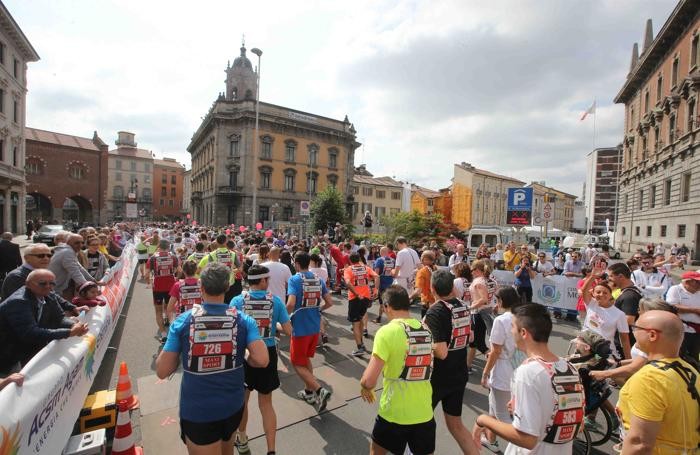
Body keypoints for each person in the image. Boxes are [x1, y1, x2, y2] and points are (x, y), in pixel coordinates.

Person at [156, 263, 269, 455]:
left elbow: (162, 370)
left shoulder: (183, 322)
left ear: (201, 288)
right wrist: (242, 355)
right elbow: (262, 360)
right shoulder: (243, 320)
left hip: (198, 412)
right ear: (227, 287)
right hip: (233, 407)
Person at [472, 304, 585, 454]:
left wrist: (483, 420)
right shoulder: (569, 368)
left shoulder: (527, 373)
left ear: (523, 332)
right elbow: (578, 424)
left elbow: (527, 439)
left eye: (512, 327)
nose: (511, 331)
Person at [360, 285, 436, 455]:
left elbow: (369, 380)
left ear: (386, 306)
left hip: (393, 412)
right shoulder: (426, 329)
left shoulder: (387, 332)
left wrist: (364, 386)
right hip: (424, 411)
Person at [617, 310, 700, 454]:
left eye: (636, 328)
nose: (633, 333)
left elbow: (640, 444)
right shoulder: (691, 371)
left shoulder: (649, 379)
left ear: (652, 335)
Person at [230, 265, 291, 455]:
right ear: (263, 281)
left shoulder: (237, 300)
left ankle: (242, 440)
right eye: (268, 280)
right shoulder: (276, 302)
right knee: (266, 404)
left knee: (243, 401)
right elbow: (289, 331)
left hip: (245, 355)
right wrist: (274, 327)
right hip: (268, 353)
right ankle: (271, 450)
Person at [424, 269, 479, 455]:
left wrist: (425, 338)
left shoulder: (435, 312)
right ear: (453, 288)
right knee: (456, 424)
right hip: (459, 373)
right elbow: (470, 337)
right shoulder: (464, 306)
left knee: (422, 424)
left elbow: (441, 352)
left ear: (432, 288)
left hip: (437, 378)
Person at [0, 270, 89, 374]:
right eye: (43, 283)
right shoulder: (19, 301)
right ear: (28, 284)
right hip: (8, 353)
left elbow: (59, 318)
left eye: (52, 283)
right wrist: (69, 332)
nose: (48, 286)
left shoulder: (49, 295)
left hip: (26, 348)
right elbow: (30, 333)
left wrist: (75, 325)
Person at [286, 251, 334, 412]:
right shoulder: (318, 279)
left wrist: (284, 316)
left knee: (296, 363)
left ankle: (320, 390)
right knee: (305, 359)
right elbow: (330, 302)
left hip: (300, 328)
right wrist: (317, 309)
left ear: (297, 264)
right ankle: (309, 392)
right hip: (314, 327)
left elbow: (291, 303)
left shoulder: (294, 279)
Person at [479, 287, 523, 452]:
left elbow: (496, 351)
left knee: (503, 416)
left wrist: (484, 374)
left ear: (501, 301)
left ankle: (525, 447)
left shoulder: (502, 320)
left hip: (503, 370)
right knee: (494, 407)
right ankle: (492, 440)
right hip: (519, 366)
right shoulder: (522, 316)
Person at [581, 261, 631, 360]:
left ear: (610, 295)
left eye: (605, 293)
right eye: (598, 292)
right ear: (593, 294)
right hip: (585, 348)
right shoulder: (591, 304)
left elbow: (624, 340)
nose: (601, 295)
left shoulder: (619, 314)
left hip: (605, 353)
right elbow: (584, 291)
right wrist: (593, 276)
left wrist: (629, 360)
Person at [344, 252, 379, 356]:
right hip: (366, 298)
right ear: (359, 258)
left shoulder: (348, 269)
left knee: (355, 323)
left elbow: (347, 282)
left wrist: (356, 293)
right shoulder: (366, 268)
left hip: (355, 299)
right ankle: (362, 343)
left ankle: (360, 347)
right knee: (360, 318)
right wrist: (375, 290)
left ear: (350, 260)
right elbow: (377, 276)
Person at [146, 239, 180, 342]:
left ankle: (164, 334)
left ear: (159, 246)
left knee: (158, 311)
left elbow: (147, 274)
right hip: (171, 287)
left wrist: (148, 282)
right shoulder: (173, 257)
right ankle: (172, 331)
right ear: (169, 246)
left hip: (157, 288)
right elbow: (180, 271)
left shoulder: (152, 258)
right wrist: (176, 278)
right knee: (171, 309)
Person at [197, 234, 243, 303]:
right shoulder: (233, 254)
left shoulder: (212, 254)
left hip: (216, 285)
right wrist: (231, 271)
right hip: (230, 284)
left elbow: (210, 270)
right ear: (226, 242)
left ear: (217, 243)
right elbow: (240, 269)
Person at [666, 270, 700, 360]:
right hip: (683, 328)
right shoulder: (675, 289)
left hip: (697, 330)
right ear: (687, 282)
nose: (699, 284)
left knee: (694, 355)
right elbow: (672, 306)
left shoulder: (698, 292)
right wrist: (695, 310)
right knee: (681, 355)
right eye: (697, 281)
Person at [49, 233, 94, 297]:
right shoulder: (68, 252)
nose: (80, 245)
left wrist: (92, 280)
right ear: (68, 243)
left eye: (82, 242)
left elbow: (79, 268)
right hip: (54, 289)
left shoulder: (69, 250)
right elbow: (75, 272)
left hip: (58, 287)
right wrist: (88, 288)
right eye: (77, 243)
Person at [608, 262, 643, 346]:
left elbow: (628, 321)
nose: (608, 279)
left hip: (623, 343)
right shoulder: (625, 292)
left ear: (620, 276)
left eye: (611, 276)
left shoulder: (629, 296)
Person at [411, 250, 437, 318]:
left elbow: (418, 291)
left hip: (427, 304)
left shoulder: (422, 272)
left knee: (426, 326)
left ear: (425, 259)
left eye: (421, 256)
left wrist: (408, 298)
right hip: (437, 302)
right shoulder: (436, 269)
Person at [372, 246, 395, 323]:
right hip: (391, 283)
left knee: (383, 303)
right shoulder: (393, 260)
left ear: (380, 252)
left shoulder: (379, 260)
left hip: (382, 284)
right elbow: (394, 272)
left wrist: (376, 288)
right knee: (388, 302)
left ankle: (387, 319)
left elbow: (376, 275)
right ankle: (382, 318)